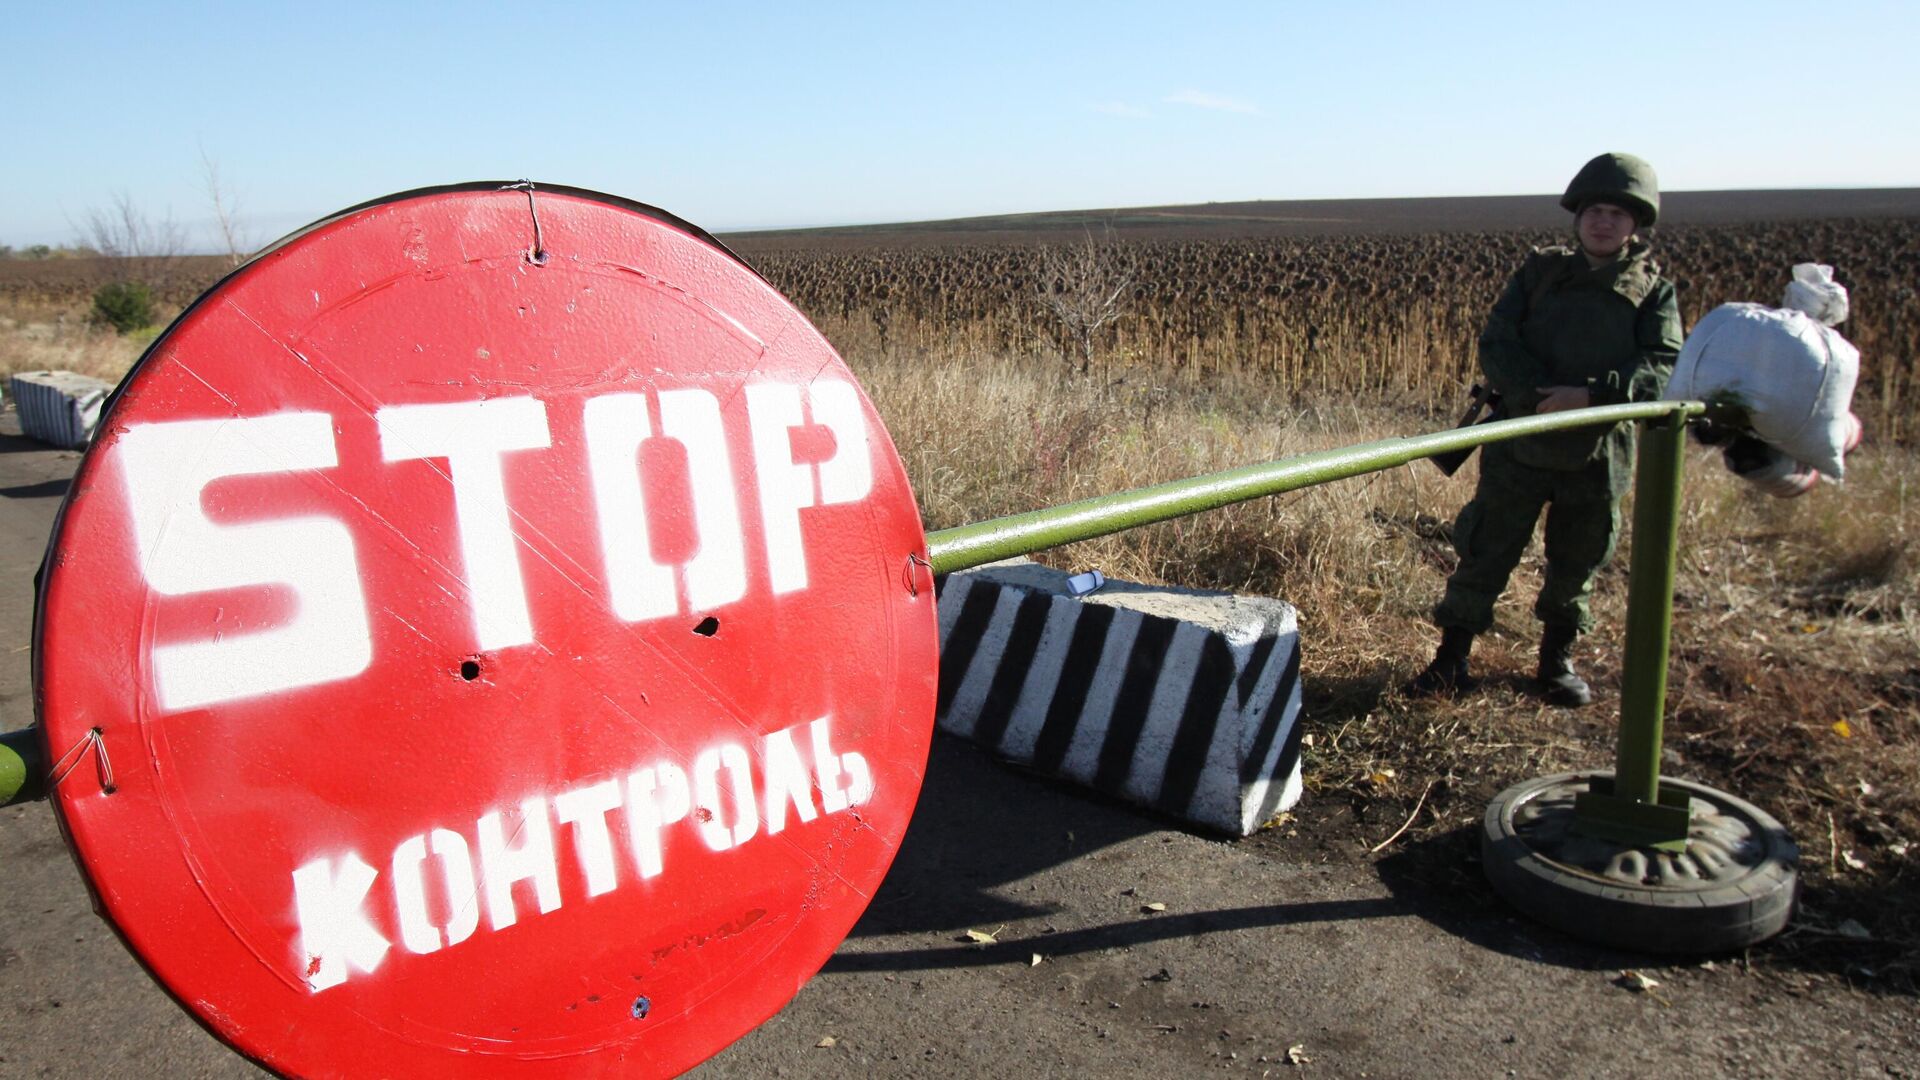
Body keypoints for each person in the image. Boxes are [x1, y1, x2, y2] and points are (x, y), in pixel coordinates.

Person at [1409, 152, 1684, 706]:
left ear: (1636, 224)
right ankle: (1450, 659)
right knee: (1485, 549)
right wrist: (1536, 398)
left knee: (1576, 562)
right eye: (1593, 211)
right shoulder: (1538, 274)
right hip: (1521, 441)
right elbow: (1497, 343)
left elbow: (1662, 362)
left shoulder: (1654, 291)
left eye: (1616, 213)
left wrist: (1590, 396)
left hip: (1598, 449)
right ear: (1577, 218)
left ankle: (1555, 661)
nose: (1602, 221)